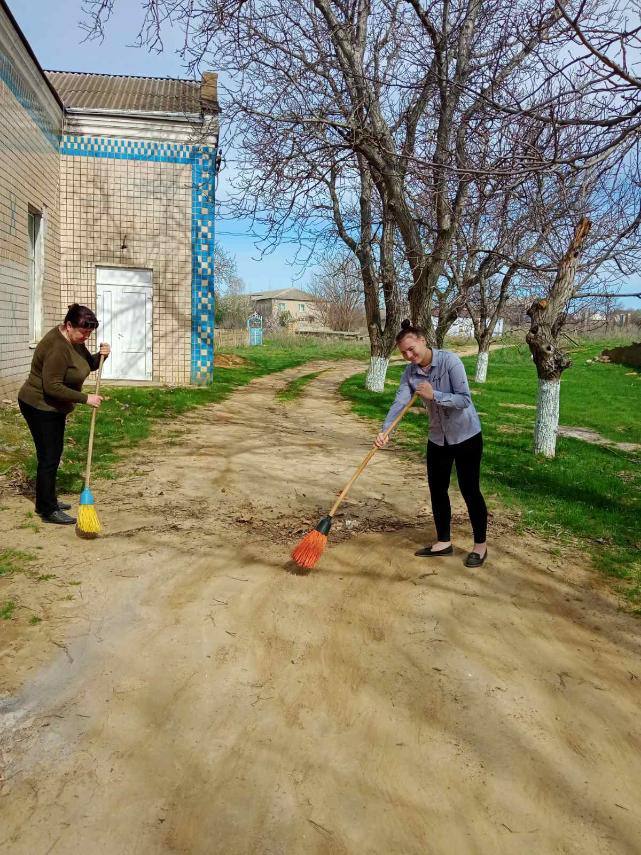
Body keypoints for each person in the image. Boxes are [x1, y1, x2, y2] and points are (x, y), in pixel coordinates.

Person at [375, 319, 488, 567]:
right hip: (438, 438)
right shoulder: (410, 373)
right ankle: (443, 542)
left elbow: (464, 400)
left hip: (466, 435)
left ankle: (480, 546)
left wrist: (434, 395)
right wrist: (385, 431)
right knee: (437, 490)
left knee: (470, 490)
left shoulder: (450, 362)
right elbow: (399, 403)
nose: (408, 355)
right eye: (403, 353)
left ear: (423, 341)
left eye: (411, 349)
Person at [18, 304, 110, 525]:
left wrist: (101, 356)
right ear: (69, 325)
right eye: (83, 331)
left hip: (54, 406)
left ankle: (47, 499)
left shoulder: (74, 341)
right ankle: (47, 509)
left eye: (90, 333)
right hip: (39, 405)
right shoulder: (57, 347)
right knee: (49, 457)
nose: (86, 336)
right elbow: (52, 387)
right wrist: (85, 398)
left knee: (53, 454)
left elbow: (88, 364)